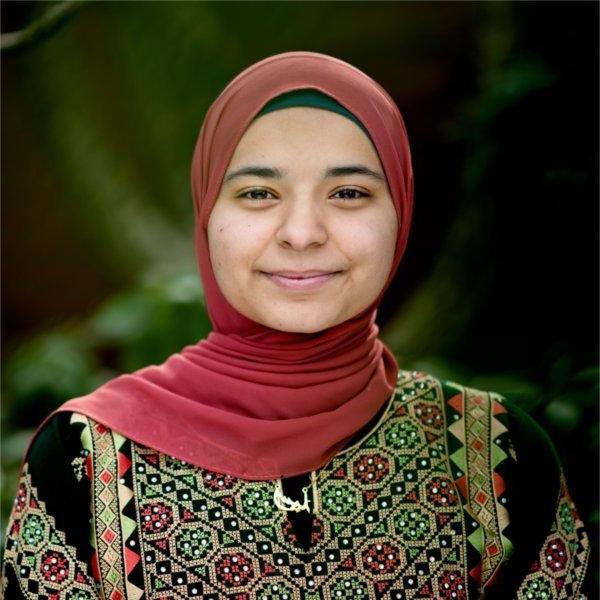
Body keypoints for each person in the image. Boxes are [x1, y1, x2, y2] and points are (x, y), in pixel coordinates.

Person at [1, 51, 589, 600]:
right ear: (208, 214)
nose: (302, 232)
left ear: (402, 211)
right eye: (258, 192)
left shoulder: (500, 454)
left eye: (349, 192)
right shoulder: (85, 454)